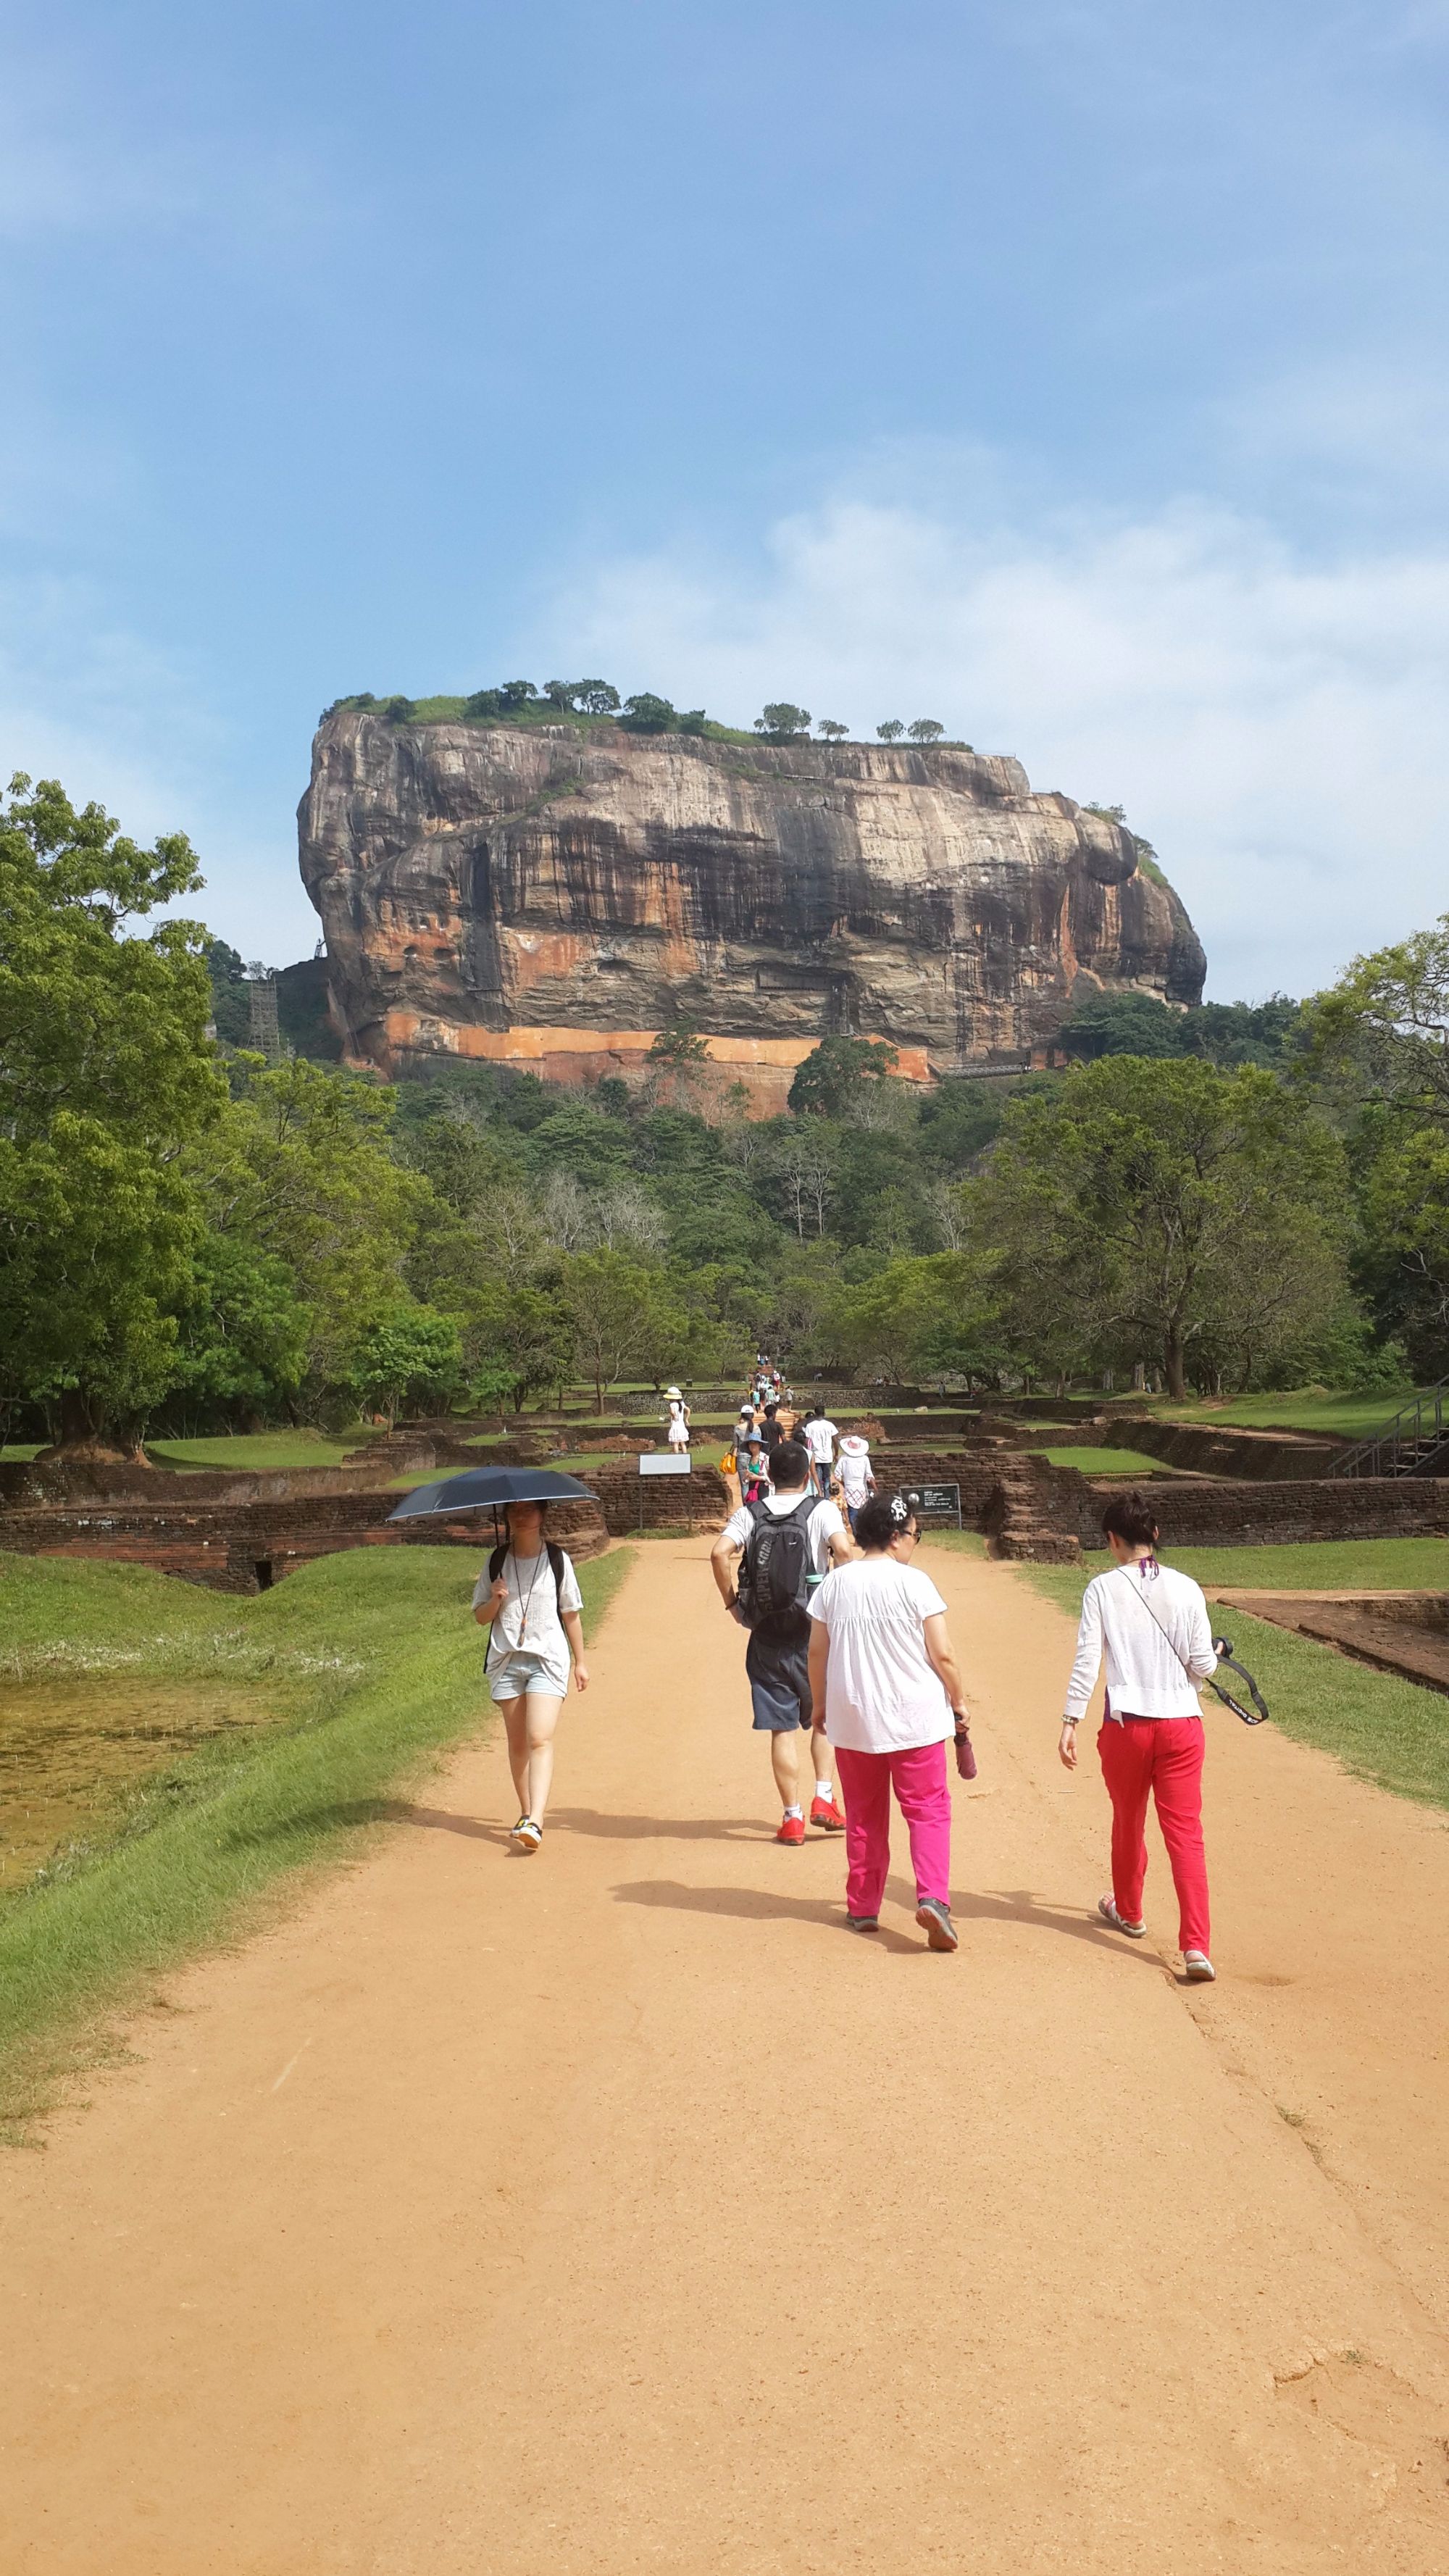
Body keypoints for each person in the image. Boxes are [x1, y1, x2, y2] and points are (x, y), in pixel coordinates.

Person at [1058, 1491, 1218, 1983]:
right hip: (1181, 1724)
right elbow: (1204, 1665)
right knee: (1186, 1834)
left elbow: (1090, 1658)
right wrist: (1213, 1651)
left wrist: (1071, 1718)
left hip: (1128, 1724)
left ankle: (1129, 1910)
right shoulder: (1187, 1587)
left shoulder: (1102, 1588)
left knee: (1128, 1820)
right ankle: (1196, 1945)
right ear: (1155, 1536)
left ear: (1113, 1540)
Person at [807, 1492, 969, 1949]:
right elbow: (943, 1654)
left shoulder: (834, 1584)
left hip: (854, 1719)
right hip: (915, 1719)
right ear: (896, 1537)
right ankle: (933, 1898)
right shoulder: (915, 1583)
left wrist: (820, 1705)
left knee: (863, 1816)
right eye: (915, 1534)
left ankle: (863, 1906)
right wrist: (959, 1700)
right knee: (928, 1811)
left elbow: (816, 1651)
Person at [711, 1438, 853, 1843]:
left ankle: (792, 1818)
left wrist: (734, 1607)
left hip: (767, 1633)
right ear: (809, 1473)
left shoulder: (750, 1512)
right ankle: (823, 1796)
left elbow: (719, 1555)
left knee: (781, 1729)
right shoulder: (821, 1509)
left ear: (769, 1475)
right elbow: (843, 1552)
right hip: (814, 1633)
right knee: (823, 1719)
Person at [473, 1499, 589, 1854]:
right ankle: (526, 1813)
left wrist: (580, 1662)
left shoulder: (557, 1560)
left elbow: (570, 1613)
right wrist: (496, 1598)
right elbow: (480, 1616)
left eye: (528, 1510)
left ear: (542, 1515)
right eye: (514, 1511)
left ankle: (536, 1820)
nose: (520, 1517)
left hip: (547, 1660)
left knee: (539, 1737)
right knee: (518, 1744)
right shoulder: (496, 1563)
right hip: (507, 1661)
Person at [835, 1431, 876, 1535]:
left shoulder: (844, 1459)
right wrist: (876, 1489)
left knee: (852, 1513)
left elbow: (837, 1474)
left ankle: (856, 1534)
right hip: (862, 1489)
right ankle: (862, 1534)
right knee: (862, 1513)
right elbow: (869, 1476)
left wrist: (844, 1483)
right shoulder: (865, 1459)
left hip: (849, 1488)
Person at [802, 1403, 839, 1499]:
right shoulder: (830, 1425)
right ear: (824, 1413)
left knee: (817, 1479)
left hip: (815, 1456)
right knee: (827, 1478)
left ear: (815, 1414)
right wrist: (836, 1454)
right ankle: (826, 1498)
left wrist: (809, 1453)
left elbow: (807, 1441)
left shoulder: (810, 1426)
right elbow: (835, 1440)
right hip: (827, 1456)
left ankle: (819, 1496)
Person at [737, 1430, 771, 1504]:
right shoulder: (748, 1460)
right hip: (752, 1489)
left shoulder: (765, 1459)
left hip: (763, 1490)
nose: (752, 1445)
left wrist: (758, 1478)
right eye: (750, 1443)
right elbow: (745, 1481)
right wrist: (746, 1477)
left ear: (760, 1445)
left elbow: (772, 1478)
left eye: (755, 1443)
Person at [665, 1386, 690, 1451]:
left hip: (675, 1426)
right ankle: (685, 1456)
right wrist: (686, 1419)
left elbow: (672, 1412)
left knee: (676, 1443)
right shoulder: (681, 1403)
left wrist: (674, 1416)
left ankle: (677, 1456)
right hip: (681, 1425)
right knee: (683, 1443)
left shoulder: (672, 1405)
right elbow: (688, 1410)